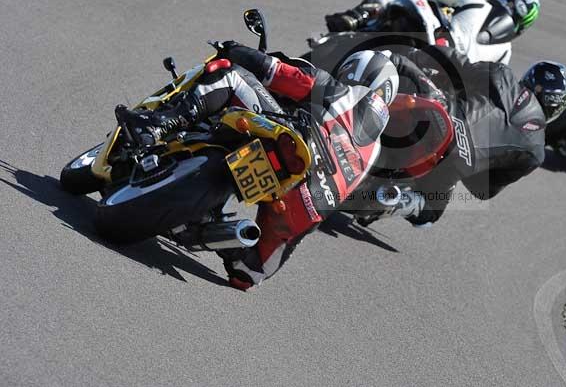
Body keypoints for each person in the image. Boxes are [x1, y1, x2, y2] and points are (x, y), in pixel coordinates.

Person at [124, 44, 399, 290]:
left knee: (230, 75)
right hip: (307, 208)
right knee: (247, 273)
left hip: (293, 147)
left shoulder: (338, 91)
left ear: (354, 73)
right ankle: (213, 227)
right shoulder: (373, 152)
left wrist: (232, 48)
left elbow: (273, 71)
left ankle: (157, 124)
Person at [362, 44, 566, 227]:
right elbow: (482, 190)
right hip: (455, 163)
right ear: (557, 107)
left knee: (393, 60)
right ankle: (398, 200)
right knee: (431, 213)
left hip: (437, 117)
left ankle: (350, 104)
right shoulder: (536, 152)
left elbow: (455, 63)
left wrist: (420, 56)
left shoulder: (503, 74)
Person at [324, 0, 540, 64]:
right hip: (447, 83)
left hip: (430, 42)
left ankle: (357, 17)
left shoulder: (475, 0)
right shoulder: (505, 53)